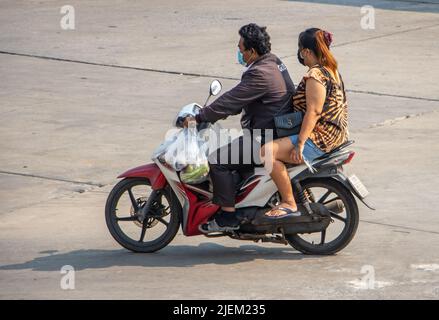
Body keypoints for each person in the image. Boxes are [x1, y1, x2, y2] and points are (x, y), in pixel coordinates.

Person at [184, 23, 295, 232]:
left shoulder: (259, 73)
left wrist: (200, 117)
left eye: (241, 49)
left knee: (217, 160)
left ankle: (227, 216)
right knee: (231, 152)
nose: (239, 53)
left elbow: (232, 99)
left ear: (252, 51)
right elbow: (243, 100)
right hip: (277, 130)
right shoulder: (274, 62)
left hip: (264, 136)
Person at [261, 27, 349, 217]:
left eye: (301, 50)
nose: (300, 54)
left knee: (266, 152)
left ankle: (289, 202)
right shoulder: (332, 71)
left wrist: (300, 144)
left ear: (307, 51)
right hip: (336, 135)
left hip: (320, 138)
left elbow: (314, 111)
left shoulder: (315, 75)